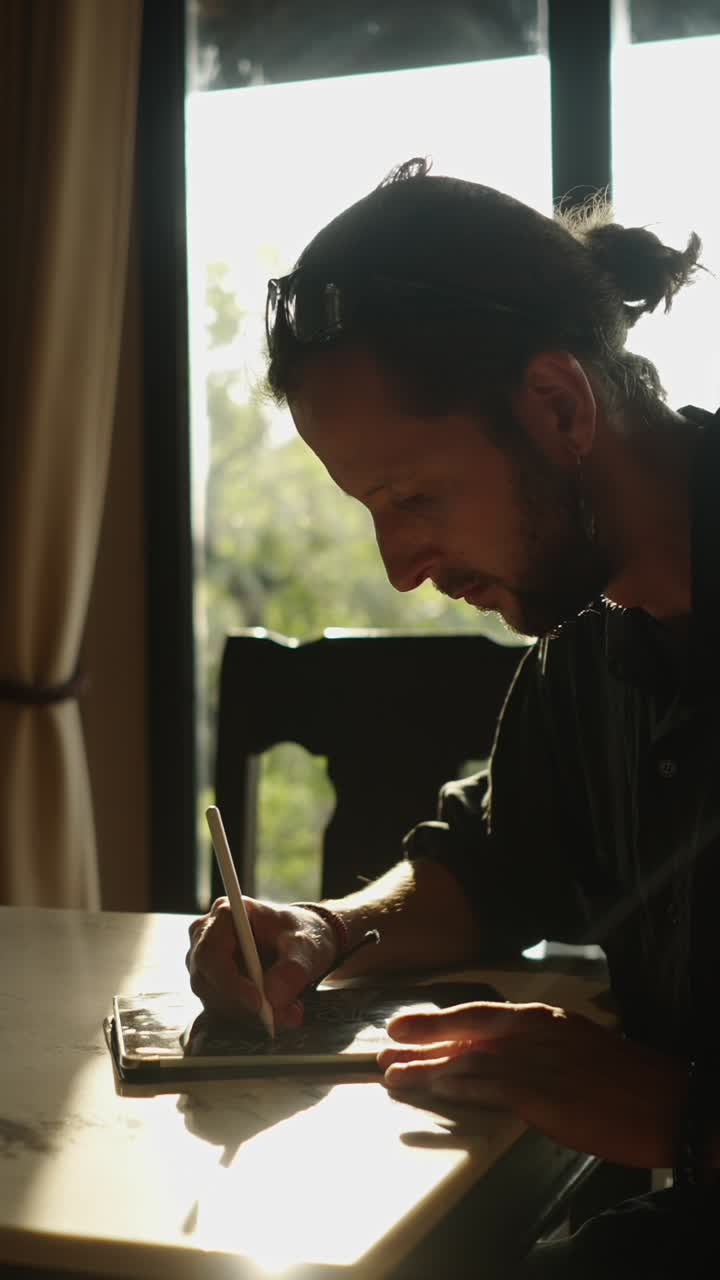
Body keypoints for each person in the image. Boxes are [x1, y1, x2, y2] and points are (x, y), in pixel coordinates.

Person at [186, 157, 720, 1275]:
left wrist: (676, 1114)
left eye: (414, 497)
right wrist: (329, 929)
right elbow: (493, 863)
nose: (400, 566)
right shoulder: (594, 645)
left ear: (560, 406)